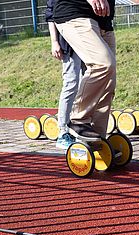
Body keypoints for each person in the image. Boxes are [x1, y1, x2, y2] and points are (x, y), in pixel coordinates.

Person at [53, 0, 116, 141]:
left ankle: (97, 140)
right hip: (75, 13)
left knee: (108, 83)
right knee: (103, 64)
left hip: (104, 21)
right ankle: (78, 119)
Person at [45, 0, 82, 150]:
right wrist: (54, 41)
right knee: (71, 83)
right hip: (68, 43)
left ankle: (82, 125)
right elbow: (50, 14)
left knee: (87, 83)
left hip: (86, 39)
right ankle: (63, 131)